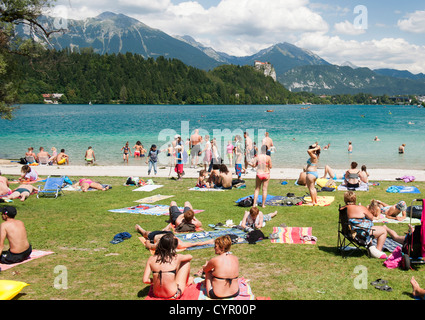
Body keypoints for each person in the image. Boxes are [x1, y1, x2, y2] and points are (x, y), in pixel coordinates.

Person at [142, 233, 194, 299]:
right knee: (186, 262)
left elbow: (145, 280)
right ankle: (186, 283)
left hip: (156, 294)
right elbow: (190, 256)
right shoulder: (176, 257)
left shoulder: (151, 259)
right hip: (173, 294)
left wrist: (155, 280)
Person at [343, 191, 387, 259]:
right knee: (383, 230)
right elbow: (371, 218)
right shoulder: (361, 208)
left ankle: (371, 247)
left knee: (368, 227)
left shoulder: (342, 209)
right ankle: (377, 251)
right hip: (361, 234)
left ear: (345, 199)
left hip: (348, 232)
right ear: (355, 199)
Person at [135, 224, 214, 251]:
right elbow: (148, 245)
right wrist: (148, 240)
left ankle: (166, 229)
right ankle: (140, 229)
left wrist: (208, 242)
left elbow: (194, 243)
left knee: (148, 233)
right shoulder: (158, 245)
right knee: (146, 233)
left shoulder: (177, 242)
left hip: (163, 235)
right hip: (158, 235)